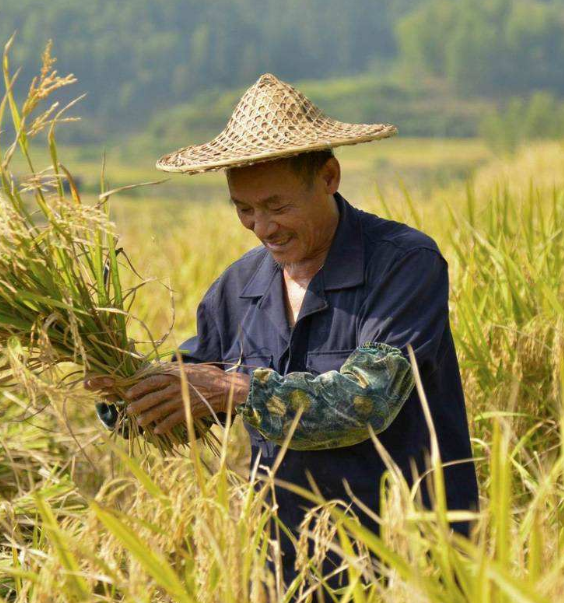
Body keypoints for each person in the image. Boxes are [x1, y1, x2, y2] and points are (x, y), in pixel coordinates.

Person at [86, 73, 479, 589]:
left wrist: (233, 390)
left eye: (277, 206)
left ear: (330, 177)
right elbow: (188, 392)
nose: (262, 227)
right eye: (244, 210)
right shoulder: (239, 287)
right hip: (285, 564)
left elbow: (368, 401)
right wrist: (126, 392)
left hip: (408, 559)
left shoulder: (403, 265)